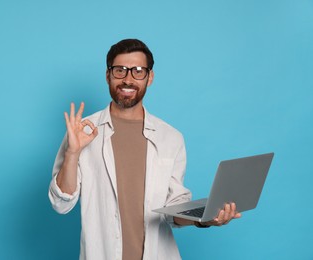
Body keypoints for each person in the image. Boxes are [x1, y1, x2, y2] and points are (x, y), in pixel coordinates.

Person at [48, 39, 241, 260]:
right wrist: (73, 153)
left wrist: (205, 217)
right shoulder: (81, 132)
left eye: (138, 71)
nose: (128, 79)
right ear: (108, 76)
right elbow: (60, 204)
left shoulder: (171, 138)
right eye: (119, 70)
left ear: (150, 78)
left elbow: (173, 210)